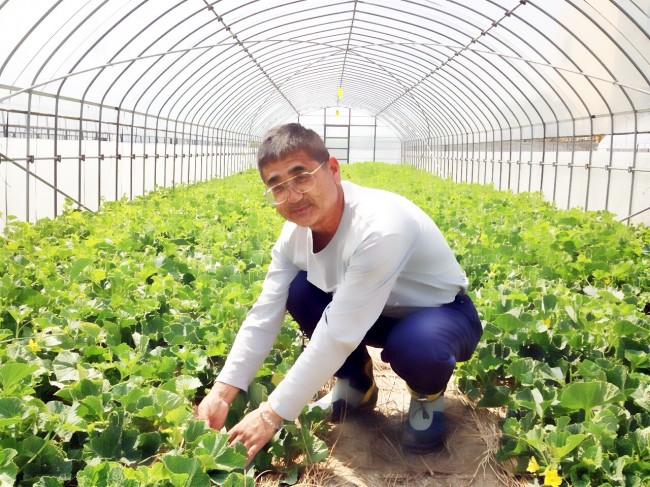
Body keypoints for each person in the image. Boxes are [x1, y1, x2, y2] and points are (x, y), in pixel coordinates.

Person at [196, 123, 482, 464]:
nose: (293, 196)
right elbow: (264, 313)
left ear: (332, 169)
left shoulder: (381, 226)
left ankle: (427, 396)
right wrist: (223, 391)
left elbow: (338, 332)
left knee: (417, 344)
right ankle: (356, 385)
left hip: (439, 314)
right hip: (370, 314)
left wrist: (271, 415)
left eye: (301, 177)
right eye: (278, 187)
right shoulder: (293, 237)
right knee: (299, 290)